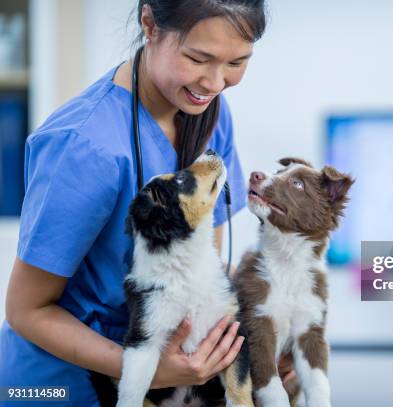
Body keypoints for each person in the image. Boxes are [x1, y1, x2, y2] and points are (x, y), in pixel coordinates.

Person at [0, 1, 293, 405]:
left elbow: (203, 268)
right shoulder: (84, 146)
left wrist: (260, 347)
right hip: (61, 383)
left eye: (237, 62)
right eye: (198, 58)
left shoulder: (207, 112)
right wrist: (145, 369)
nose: (214, 82)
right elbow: (27, 310)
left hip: (167, 379)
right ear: (149, 24)